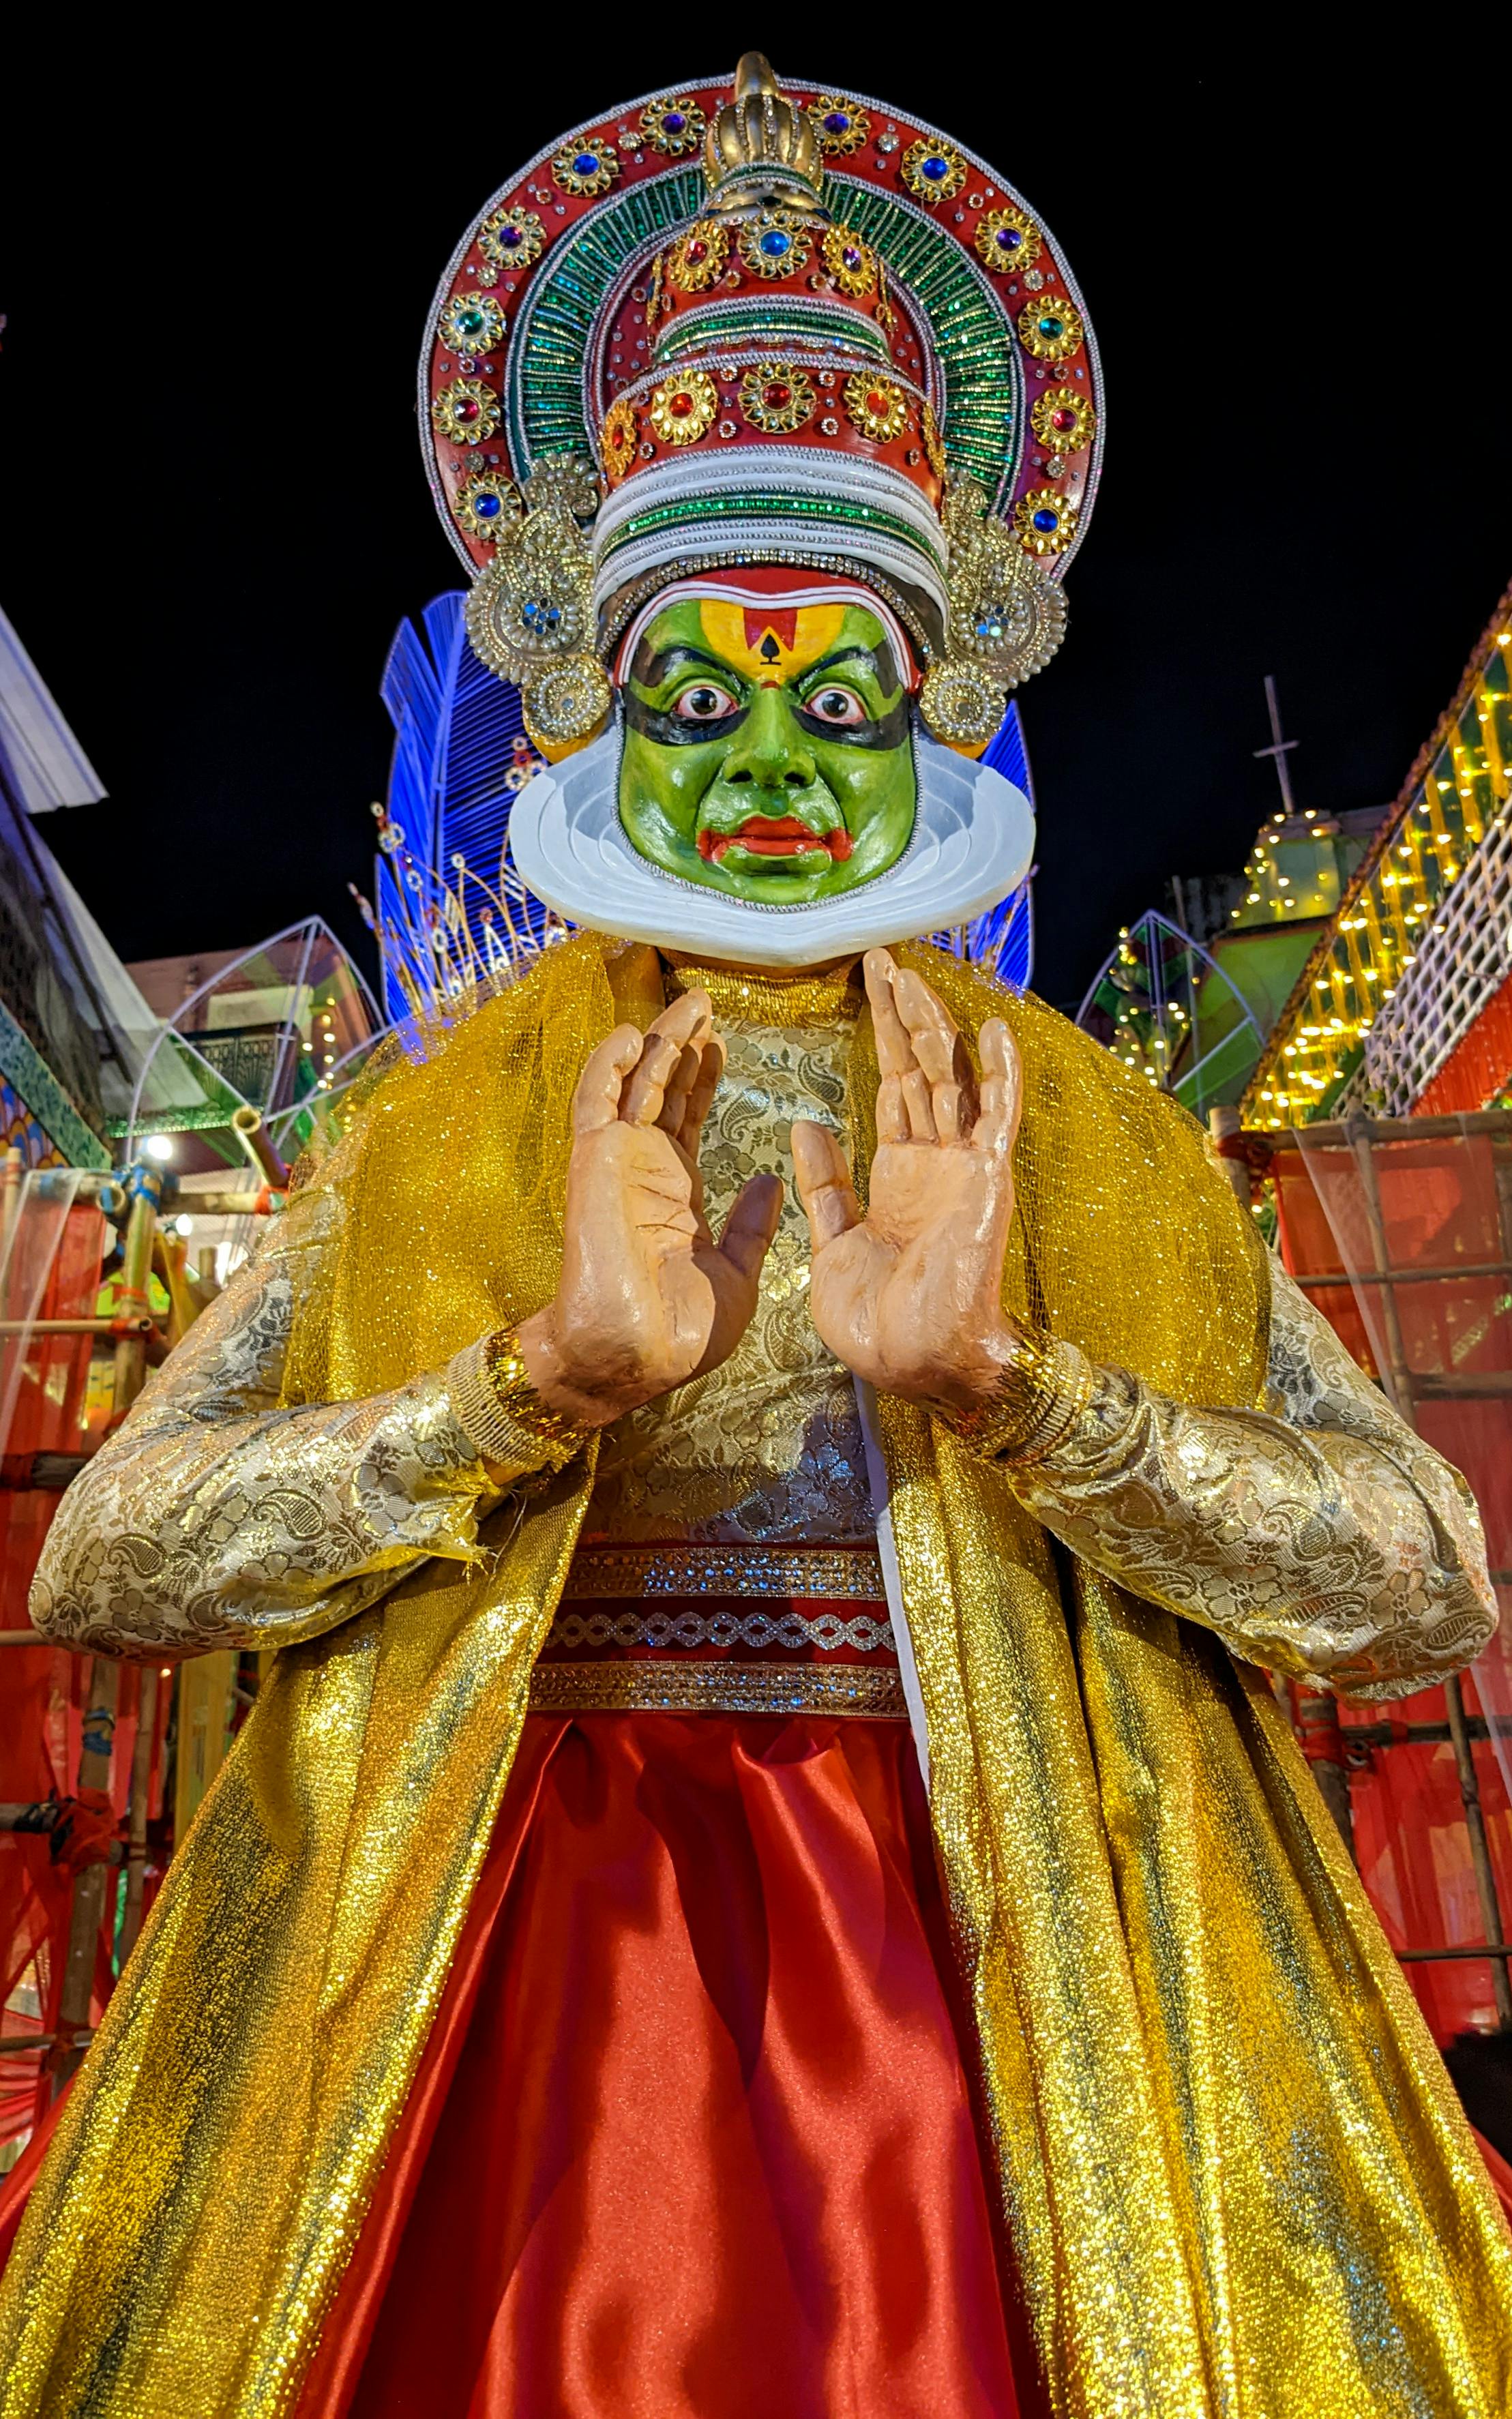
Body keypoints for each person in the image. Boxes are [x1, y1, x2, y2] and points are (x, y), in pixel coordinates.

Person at [3, 57, 1508, 2419]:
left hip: (1008, 1999)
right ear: (600, 714)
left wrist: (1028, 1393)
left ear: (943, 713)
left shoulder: (1077, 1140)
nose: (781, 780)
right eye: (704, 698)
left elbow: (1420, 1576)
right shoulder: (426, 1140)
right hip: (517, 2001)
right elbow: (109, 1555)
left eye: (846, 701)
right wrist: (530, 1386)